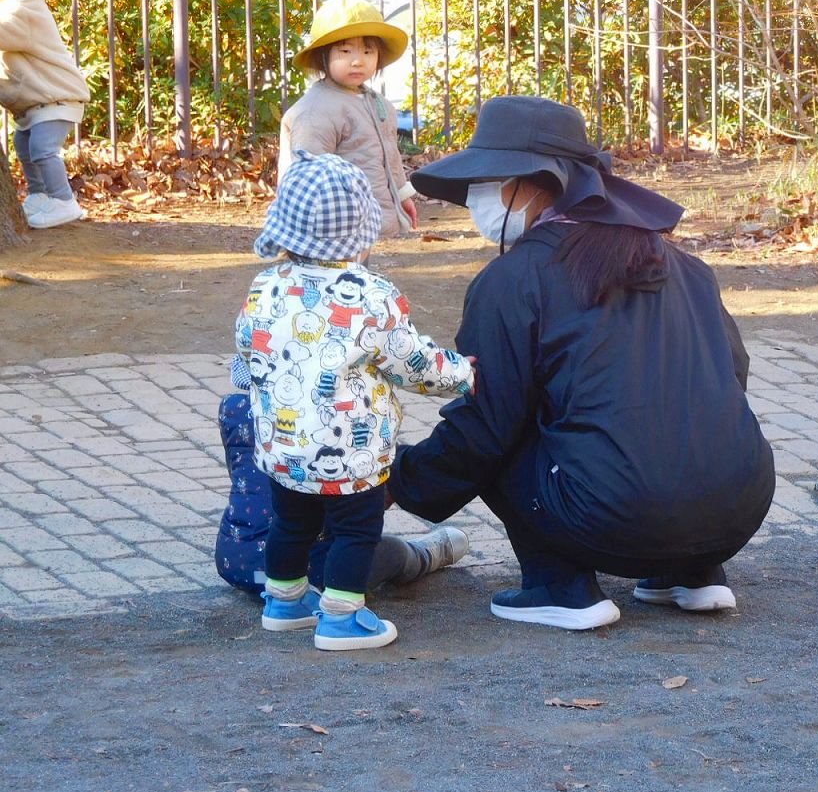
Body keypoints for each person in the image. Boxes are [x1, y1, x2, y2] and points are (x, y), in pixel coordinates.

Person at [386, 96, 776, 631]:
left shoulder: (513, 279)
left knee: (506, 428)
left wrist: (397, 478)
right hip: (740, 507)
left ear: (535, 183)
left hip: (611, 518)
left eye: (489, 179)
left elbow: (484, 425)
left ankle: (559, 585)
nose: (477, 196)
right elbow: (733, 374)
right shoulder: (687, 266)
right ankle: (693, 572)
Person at [235, 150, 474, 651]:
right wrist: (462, 374)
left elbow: (246, 353)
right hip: (352, 455)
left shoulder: (266, 286)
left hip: (283, 446)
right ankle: (341, 617)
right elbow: (411, 362)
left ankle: (284, 603)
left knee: (290, 524)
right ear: (363, 227)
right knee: (355, 532)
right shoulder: (371, 295)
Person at [214, 362, 471, 595]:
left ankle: (283, 606)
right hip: (317, 571)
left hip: (237, 560)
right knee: (377, 548)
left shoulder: (235, 411)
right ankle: (424, 555)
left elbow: (247, 481)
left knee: (284, 514)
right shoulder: (329, 420)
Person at [279, 0, 417, 238]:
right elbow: (309, 171)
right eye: (345, 50)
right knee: (337, 272)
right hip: (332, 223)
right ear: (323, 56)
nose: (357, 61)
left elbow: (390, 156)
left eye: (367, 51)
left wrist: (401, 196)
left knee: (356, 271)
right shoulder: (316, 110)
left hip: (367, 216)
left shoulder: (378, 104)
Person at [0, 0, 91, 229]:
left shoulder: (24, 6)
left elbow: (4, 32)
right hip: (37, 103)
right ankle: (41, 195)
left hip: (56, 98)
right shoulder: (13, 4)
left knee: (42, 149)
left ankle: (64, 201)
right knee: (24, 146)